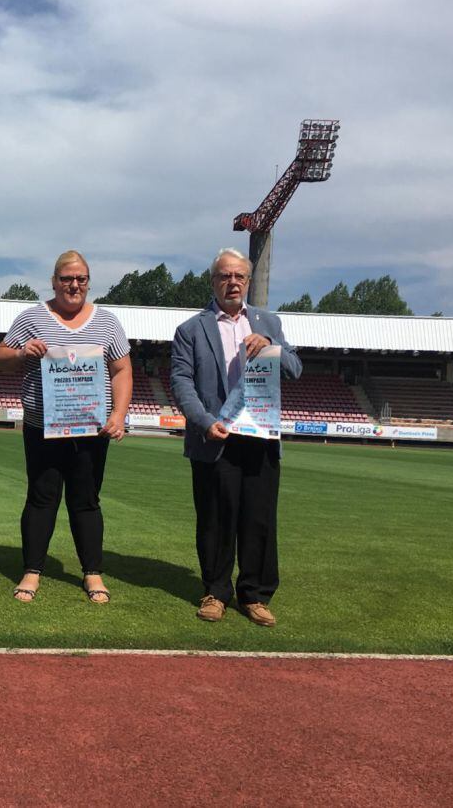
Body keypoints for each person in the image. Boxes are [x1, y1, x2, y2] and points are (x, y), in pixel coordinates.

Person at [170, 248, 302, 626]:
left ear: (247, 281)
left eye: (239, 277)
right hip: (215, 436)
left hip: (260, 438)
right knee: (215, 519)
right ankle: (215, 591)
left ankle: (255, 596)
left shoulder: (269, 322)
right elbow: (180, 382)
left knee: (259, 520)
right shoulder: (190, 330)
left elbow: (295, 368)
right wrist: (204, 421)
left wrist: (271, 347)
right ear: (213, 282)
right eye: (224, 276)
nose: (232, 282)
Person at [0, 250, 132, 604]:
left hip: (91, 429)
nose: (74, 285)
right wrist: (23, 352)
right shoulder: (31, 318)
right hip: (43, 427)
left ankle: (92, 572)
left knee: (86, 501)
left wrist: (118, 415)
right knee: (41, 498)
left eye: (81, 279)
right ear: (54, 281)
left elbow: (121, 370)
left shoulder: (107, 322)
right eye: (66, 279)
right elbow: (0, 359)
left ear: (88, 282)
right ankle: (32, 570)